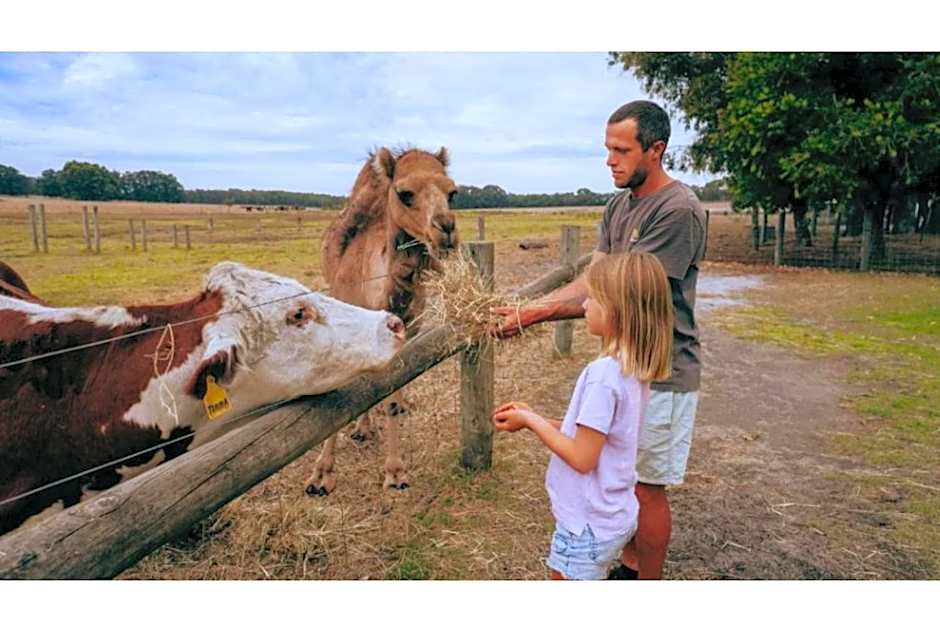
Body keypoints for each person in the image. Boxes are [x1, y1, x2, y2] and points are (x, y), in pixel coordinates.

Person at [494, 100, 707, 579]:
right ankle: (620, 563)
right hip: (628, 360)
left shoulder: (679, 211)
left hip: (663, 368)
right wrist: (528, 310)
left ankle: (642, 578)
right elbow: (596, 277)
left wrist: (535, 313)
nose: (610, 160)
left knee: (647, 487)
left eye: (621, 149)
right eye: (607, 148)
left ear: (656, 150)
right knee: (619, 476)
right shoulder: (618, 205)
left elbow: (619, 290)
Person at [493, 252, 673, 580]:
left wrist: (531, 423)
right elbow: (595, 437)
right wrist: (532, 415)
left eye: (593, 299)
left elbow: (581, 457)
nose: (585, 306)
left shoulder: (603, 375)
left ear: (618, 311)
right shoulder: (633, 367)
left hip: (585, 526)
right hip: (613, 515)